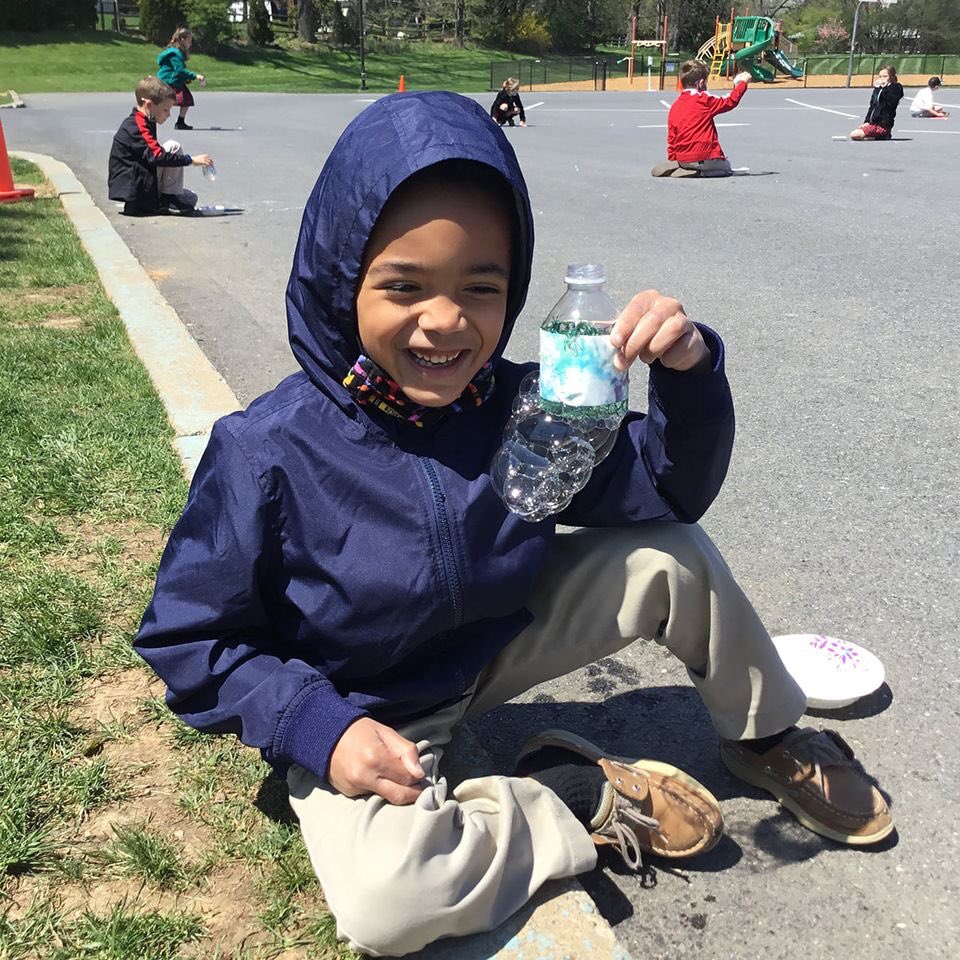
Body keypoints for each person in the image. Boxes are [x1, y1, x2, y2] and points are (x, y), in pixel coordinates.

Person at [134, 91, 893, 958]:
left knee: (671, 554)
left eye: (481, 288)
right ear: (342, 285)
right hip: (369, 710)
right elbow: (191, 637)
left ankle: (766, 734)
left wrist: (688, 372)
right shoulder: (266, 449)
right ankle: (573, 796)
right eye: (404, 286)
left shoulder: (527, 406)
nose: (446, 320)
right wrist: (315, 726)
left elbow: (663, 490)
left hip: (493, 645)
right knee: (388, 906)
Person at [108, 75, 214, 217]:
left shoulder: (145, 120)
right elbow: (157, 156)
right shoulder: (137, 125)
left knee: (190, 198)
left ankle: (164, 199)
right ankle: (165, 200)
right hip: (135, 186)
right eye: (165, 109)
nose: (169, 115)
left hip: (140, 179)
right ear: (149, 105)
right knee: (173, 146)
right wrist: (191, 160)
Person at [652, 60, 752, 178]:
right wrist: (742, 83)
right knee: (726, 167)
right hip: (704, 157)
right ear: (700, 83)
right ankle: (699, 172)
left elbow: (672, 137)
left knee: (687, 159)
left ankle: (679, 166)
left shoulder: (675, 106)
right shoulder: (704, 99)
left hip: (682, 158)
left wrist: (673, 158)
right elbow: (730, 101)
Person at [157, 26, 205, 131]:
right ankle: (151, 117)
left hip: (174, 80)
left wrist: (185, 79)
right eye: (189, 41)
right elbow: (179, 70)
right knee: (163, 101)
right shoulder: (174, 53)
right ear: (182, 39)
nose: (190, 44)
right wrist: (195, 76)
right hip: (168, 81)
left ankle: (180, 122)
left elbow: (178, 71)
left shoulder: (178, 53)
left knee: (186, 99)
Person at [850, 64, 904, 140]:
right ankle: (876, 136)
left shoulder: (896, 87)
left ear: (891, 76)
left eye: (885, 76)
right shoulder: (878, 89)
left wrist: (885, 88)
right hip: (873, 123)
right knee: (857, 133)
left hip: (883, 125)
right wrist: (867, 122)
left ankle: (884, 134)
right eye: (880, 76)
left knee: (854, 134)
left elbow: (891, 102)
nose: (882, 79)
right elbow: (872, 106)